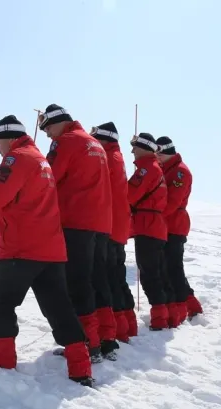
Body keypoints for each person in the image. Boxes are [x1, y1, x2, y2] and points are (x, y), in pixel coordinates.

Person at [0, 115, 94, 387]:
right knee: (59, 308)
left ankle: (3, 370)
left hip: (20, 251)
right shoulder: (40, 160)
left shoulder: (17, 158)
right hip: (49, 252)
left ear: (10, 138)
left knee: (0, 307)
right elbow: (11, 206)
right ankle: (81, 368)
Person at [38, 104, 116, 362]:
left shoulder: (66, 143)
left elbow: (48, 177)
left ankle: (87, 344)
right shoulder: (93, 143)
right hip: (101, 224)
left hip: (76, 222)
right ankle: (106, 340)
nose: (48, 133)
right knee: (97, 282)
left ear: (59, 121)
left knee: (77, 283)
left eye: (48, 127)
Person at [90, 122, 138, 342]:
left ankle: (115, 330)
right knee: (116, 279)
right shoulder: (116, 156)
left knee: (107, 280)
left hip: (108, 227)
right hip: (117, 226)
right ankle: (126, 326)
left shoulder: (107, 157)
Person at [155, 136, 204, 326]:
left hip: (174, 225)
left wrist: (154, 215)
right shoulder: (165, 169)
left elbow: (172, 202)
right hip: (163, 226)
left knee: (173, 268)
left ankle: (186, 307)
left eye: (157, 154)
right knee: (167, 268)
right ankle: (189, 305)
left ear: (163, 152)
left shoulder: (180, 172)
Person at [127, 133, 171, 331]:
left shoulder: (146, 169)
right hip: (155, 225)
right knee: (157, 272)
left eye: (135, 147)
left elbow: (130, 195)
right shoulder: (156, 169)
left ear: (144, 148)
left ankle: (159, 319)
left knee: (149, 274)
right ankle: (165, 314)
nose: (132, 151)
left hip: (147, 225)